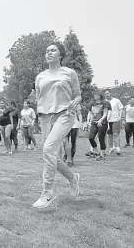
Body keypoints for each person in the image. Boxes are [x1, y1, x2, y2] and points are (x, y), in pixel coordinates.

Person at [32, 42, 81, 209]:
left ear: (61, 54)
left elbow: (78, 95)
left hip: (65, 114)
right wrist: (38, 116)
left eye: (53, 50)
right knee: (52, 154)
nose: (49, 53)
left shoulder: (69, 73)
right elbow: (39, 98)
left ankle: (47, 192)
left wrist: (76, 101)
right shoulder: (40, 76)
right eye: (47, 51)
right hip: (45, 117)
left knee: (48, 150)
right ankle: (73, 177)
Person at [87, 93, 111, 161]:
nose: (95, 96)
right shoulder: (92, 104)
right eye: (94, 95)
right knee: (91, 138)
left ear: (100, 96)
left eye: (96, 95)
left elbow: (105, 113)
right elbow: (91, 113)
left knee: (101, 139)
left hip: (102, 123)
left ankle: (102, 155)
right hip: (94, 123)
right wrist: (89, 122)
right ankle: (96, 152)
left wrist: (100, 120)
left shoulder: (105, 103)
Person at [104, 89, 124, 155]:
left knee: (116, 134)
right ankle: (111, 148)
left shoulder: (116, 100)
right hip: (107, 120)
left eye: (107, 93)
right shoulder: (104, 102)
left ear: (111, 93)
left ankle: (118, 148)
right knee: (109, 135)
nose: (106, 95)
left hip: (115, 119)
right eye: (105, 94)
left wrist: (120, 117)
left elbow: (121, 108)